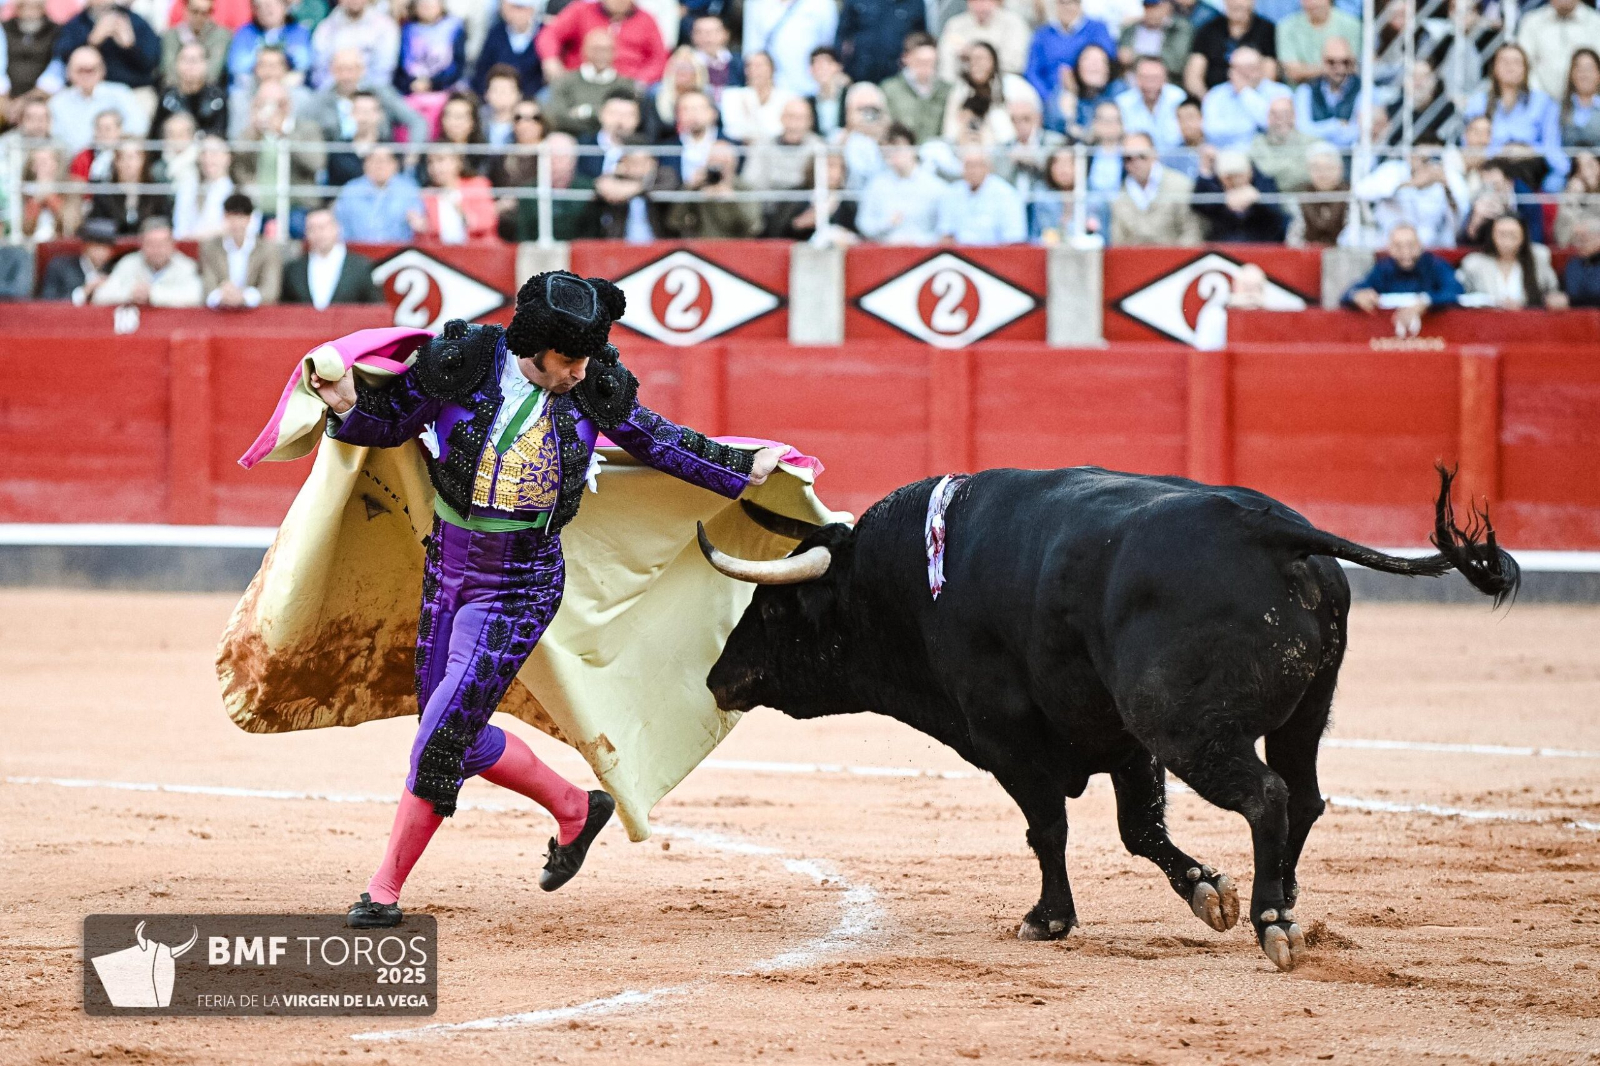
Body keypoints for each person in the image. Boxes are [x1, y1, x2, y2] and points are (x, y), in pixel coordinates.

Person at [303, 271, 786, 929]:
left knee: (441, 737)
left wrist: (741, 465)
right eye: (568, 361)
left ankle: (382, 892)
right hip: (447, 571)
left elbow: (656, 439)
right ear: (533, 346)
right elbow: (388, 425)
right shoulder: (463, 363)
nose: (579, 373)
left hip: (522, 585)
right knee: (453, 732)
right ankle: (572, 807)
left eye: (587, 359)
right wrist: (344, 403)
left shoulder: (592, 385)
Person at [1464, 43, 1568, 194]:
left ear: (1526, 68)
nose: (1510, 67)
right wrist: (1501, 151)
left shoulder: (1543, 102)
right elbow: (1469, 146)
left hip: (1530, 167)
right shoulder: (1478, 102)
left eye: (1516, 62)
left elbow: (1552, 147)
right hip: (1488, 167)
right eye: (1504, 62)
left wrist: (1530, 150)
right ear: (1494, 67)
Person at [235, 79, 326, 237]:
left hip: (297, 207)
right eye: (261, 103)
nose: (267, 109)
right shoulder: (251, 133)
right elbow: (237, 163)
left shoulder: (307, 129)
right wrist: (253, 131)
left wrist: (284, 134)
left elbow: (316, 163)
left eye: (272, 104)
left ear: (286, 105)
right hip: (258, 209)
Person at [1341, 222, 1462, 336]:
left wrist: (1427, 302)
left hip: (1438, 335)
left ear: (1420, 246)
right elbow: (1350, 292)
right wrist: (1357, 296)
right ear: (1390, 249)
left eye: (1411, 245)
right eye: (1398, 246)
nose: (1406, 252)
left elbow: (1456, 290)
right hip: (1386, 339)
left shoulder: (1435, 265)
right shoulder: (1383, 269)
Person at [301, 48, 431, 148]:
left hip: (380, 163)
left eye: (351, 69)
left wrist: (412, 156)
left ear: (362, 70)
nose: (346, 76)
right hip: (335, 169)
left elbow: (417, 121)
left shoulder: (381, 94)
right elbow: (299, 128)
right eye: (340, 69)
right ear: (332, 70)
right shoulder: (319, 102)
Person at [856, 122, 947, 242]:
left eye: (898, 147)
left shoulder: (937, 187)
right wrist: (885, 224)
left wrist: (919, 241)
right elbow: (863, 223)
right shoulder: (876, 185)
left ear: (912, 147)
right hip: (885, 253)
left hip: (926, 254)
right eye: (887, 151)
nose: (893, 155)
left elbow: (944, 230)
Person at [539, 0, 667, 84]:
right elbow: (549, 34)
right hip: (581, 80)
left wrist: (641, 80)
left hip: (626, 84)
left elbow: (658, 59)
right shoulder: (581, 11)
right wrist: (551, 59)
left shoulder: (647, 20)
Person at [48, 46, 147, 153]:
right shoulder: (58, 102)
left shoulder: (120, 93)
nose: (85, 75)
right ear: (69, 72)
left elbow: (138, 127)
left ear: (102, 70)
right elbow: (53, 136)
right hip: (69, 161)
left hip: (111, 160)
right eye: (80, 70)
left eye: (90, 70)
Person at [1456, 214, 1565, 310]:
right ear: (1491, 236)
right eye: (1502, 235)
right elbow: (1458, 295)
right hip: (1484, 326)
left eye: (1513, 235)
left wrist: (1554, 300)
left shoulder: (1538, 258)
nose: (1507, 242)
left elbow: (1553, 291)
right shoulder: (1474, 263)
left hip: (1529, 325)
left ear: (1523, 237)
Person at [50, 0, 162, 93]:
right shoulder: (76, 23)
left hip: (132, 89)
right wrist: (91, 42)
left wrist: (130, 46)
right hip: (85, 90)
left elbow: (151, 62)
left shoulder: (135, 21)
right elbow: (62, 58)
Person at [91, 216, 204, 307]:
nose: (157, 250)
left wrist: (152, 295)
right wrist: (130, 294)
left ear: (173, 244)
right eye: (151, 244)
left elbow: (196, 296)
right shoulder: (128, 263)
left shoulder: (186, 266)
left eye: (162, 244)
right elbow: (101, 295)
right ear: (141, 245)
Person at [1111, 130, 1200, 244]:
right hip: (1136, 259)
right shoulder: (1119, 197)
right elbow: (1118, 241)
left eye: (1142, 156)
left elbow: (1192, 231)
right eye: (1128, 158)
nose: (1135, 162)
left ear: (1155, 154)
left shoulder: (1180, 185)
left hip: (1176, 257)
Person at [546, 30, 640, 136]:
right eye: (596, 49)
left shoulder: (625, 84)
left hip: (616, 141)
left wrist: (586, 111)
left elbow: (631, 119)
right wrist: (604, 119)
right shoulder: (565, 81)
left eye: (607, 49)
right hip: (573, 138)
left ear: (615, 52)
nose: (601, 54)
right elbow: (557, 116)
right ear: (584, 50)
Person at [282, 207, 383, 306]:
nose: (318, 234)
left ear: (336, 228)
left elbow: (375, 308)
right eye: (312, 229)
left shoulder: (361, 267)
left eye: (322, 228)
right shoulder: (293, 270)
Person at [1025, 0, 1115, 106]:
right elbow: (1032, 71)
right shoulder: (1042, 34)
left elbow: (1109, 61)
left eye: (1072, 2)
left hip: (1090, 93)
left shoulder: (1097, 29)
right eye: (1063, 2)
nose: (1067, 7)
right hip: (1053, 96)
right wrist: (1049, 97)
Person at [201, 193, 283, 308]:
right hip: (222, 312)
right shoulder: (211, 248)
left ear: (249, 219)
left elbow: (271, 289)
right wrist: (221, 295)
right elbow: (208, 286)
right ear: (225, 217)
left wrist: (244, 297)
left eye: (241, 217)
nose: (236, 223)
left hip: (256, 315)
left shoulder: (267, 249)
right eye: (231, 217)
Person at [666, 139, 763, 237]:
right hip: (702, 246)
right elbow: (675, 221)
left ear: (734, 163)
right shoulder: (698, 186)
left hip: (734, 247)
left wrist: (730, 201)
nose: (718, 167)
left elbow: (753, 228)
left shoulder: (744, 188)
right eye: (713, 161)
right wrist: (689, 188)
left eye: (723, 162)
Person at [742, 0, 839, 96]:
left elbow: (827, 49)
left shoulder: (824, 4)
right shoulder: (755, 3)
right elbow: (752, 52)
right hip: (771, 94)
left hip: (812, 91)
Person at [1201, 45, 1289, 149]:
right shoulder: (1216, 94)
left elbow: (1276, 126)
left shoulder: (1280, 91)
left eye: (1249, 68)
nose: (1244, 74)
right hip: (1228, 155)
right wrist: (1251, 128)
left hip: (1272, 154)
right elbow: (1210, 130)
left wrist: (1245, 93)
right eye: (1238, 69)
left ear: (1261, 68)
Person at [1183, 0, 1275, 97]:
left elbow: (1269, 74)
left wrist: (1250, 99)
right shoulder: (1208, 29)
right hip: (1213, 97)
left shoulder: (1266, 30)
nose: (1235, 3)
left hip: (1255, 98)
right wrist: (1209, 100)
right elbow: (1193, 77)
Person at [334, 145, 425, 241]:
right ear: (365, 164)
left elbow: (419, 222)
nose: (379, 166)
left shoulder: (408, 189)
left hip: (399, 251)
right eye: (374, 160)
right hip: (358, 251)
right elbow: (340, 225)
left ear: (395, 165)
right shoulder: (351, 190)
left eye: (385, 161)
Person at [937, 145, 1027, 243]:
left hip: (995, 255)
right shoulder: (952, 193)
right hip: (957, 255)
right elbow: (945, 234)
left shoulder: (1007, 194)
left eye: (977, 165)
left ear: (989, 167)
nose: (973, 171)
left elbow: (1014, 239)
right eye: (968, 166)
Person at [1193, 148, 1286, 241]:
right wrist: (1223, 200)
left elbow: (1277, 216)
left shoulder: (1264, 184)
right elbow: (1199, 205)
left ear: (1249, 172)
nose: (1235, 180)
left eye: (1239, 175)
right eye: (1228, 177)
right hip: (1223, 244)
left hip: (1260, 245)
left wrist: (1257, 200)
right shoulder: (1215, 188)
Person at [1516, 0, 1600, 100]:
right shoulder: (1531, 22)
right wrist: (1541, 98)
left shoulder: (1596, 23)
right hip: (1539, 104)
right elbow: (1522, 65)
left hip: (1588, 106)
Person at [86, 141, 173, 236]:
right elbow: (96, 228)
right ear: (115, 162)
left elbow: (166, 226)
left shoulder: (156, 194)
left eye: (132, 157)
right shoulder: (104, 194)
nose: (127, 163)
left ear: (143, 160)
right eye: (121, 158)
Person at [310, 0, 401, 89]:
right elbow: (320, 71)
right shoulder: (325, 29)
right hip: (334, 92)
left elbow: (384, 70)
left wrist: (360, 93)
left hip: (373, 94)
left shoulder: (385, 26)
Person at [412, 148, 498, 241]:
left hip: (477, 250)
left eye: (440, 160)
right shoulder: (428, 195)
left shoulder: (477, 185)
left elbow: (488, 220)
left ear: (457, 162)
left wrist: (463, 214)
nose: (435, 167)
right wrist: (422, 228)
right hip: (442, 252)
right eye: (430, 162)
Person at [882, 32, 951, 144]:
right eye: (920, 62)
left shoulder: (946, 90)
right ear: (906, 58)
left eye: (930, 62)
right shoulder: (889, 89)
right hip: (901, 152)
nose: (926, 68)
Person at [226, 0, 314, 87]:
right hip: (252, 88)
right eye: (259, 6)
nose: (266, 10)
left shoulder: (298, 32)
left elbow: (304, 64)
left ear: (284, 6)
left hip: (289, 89)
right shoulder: (245, 32)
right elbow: (237, 67)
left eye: (270, 5)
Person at [1291, 35, 1358, 149]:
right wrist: (1336, 125)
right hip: (1313, 157)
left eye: (1345, 62)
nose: (1339, 68)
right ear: (1323, 62)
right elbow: (1302, 131)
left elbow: (1359, 132)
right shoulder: (1305, 91)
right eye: (1332, 62)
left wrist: (1319, 131)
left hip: (1350, 157)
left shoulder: (1362, 90)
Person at [836, 0, 926, 85]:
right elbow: (842, 36)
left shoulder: (914, 3)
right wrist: (841, 69)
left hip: (898, 77)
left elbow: (920, 41)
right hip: (860, 73)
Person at [944, 0, 1033, 84]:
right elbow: (946, 65)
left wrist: (976, 57)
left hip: (1003, 81)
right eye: (975, 1)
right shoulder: (955, 25)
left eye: (985, 0)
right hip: (964, 83)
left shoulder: (1014, 23)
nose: (981, 6)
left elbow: (1016, 63)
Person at [153, 40, 230, 136]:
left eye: (194, 60)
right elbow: (155, 136)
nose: (190, 66)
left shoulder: (217, 97)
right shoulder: (168, 98)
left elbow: (220, 134)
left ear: (206, 64)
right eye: (184, 59)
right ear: (176, 63)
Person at [1273, 0, 1357, 85]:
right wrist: (1330, 67)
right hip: (1301, 90)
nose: (1312, 2)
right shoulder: (1286, 27)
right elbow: (1292, 72)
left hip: (1347, 89)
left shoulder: (1352, 24)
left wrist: (1309, 70)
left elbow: (1355, 67)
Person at [40, 215, 121, 303]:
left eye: (105, 248)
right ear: (85, 246)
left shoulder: (116, 270)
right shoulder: (60, 267)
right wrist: (84, 291)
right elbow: (47, 303)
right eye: (96, 246)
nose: (100, 252)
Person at [472, 0, 543, 98]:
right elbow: (482, 68)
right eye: (514, 8)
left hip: (533, 97)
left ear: (531, 10)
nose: (518, 14)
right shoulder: (496, 33)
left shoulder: (543, 33)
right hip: (498, 95)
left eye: (522, 9)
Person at [395, 0, 466, 94]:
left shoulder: (454, 28)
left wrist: (431, 83)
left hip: (444, 87)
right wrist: (411, 83)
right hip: (411, 88)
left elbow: (457, 64)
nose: (427, 8)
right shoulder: (407, 30)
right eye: (423, 5)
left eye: (431, 5)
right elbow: (401, 65)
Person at [1115, 52, 1184, 148]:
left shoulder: (1179, 99)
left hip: (1175, 160)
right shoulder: (1123, 103)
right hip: (1136, 161)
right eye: (1145, 77)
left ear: (1165, 78)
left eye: (1155, 78)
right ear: (1135, 78)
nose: (1150, 84)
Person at [1286, 140, 1348, 245]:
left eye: (1328, 168)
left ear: (1340, 169)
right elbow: (1292, 239)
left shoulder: (1351, 196)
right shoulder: (1300, 197)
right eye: (1316, 168)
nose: (1323, 174)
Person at [173, 134, 236, 237]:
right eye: (203, 153)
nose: (207, 159)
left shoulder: (236, 191)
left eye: (214, 153)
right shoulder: (187, 188)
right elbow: (179, 227)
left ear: (228, 157)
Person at [1248, 94, 1312, 191]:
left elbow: (1307, 175)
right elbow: (1264, 172)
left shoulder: (1311, 143)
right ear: (1268, 118)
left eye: (1285, 113)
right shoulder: (1257, 143)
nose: (1280, 119)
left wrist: (1274, 172)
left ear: (1294, 116)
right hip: (1268, 200)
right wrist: (1292, 167)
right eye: (1274, 114)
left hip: (1302, 198)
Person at [1117, 0, 1191, 82]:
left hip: (1165, 82)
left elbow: (1175, 64)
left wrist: (1135, 57)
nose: (1150, 12)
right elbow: (1121, 58)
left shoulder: (1178, 28)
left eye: (1154, 7)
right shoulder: (1130, 28)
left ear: (1167, 7)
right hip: (1130, 81)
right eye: (1147, 7)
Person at [161, 0, 231, 86]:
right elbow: (169, 70)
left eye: (204, 13)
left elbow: (213, 72)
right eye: (195, 11)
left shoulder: (220, 35)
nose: (199, 17)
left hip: (209, 91)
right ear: (186, 9)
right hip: (177, 89)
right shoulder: (172, 35)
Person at [5, 0, 62, 98]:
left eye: (34, 7)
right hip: (7, 92)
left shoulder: (54, 30)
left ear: (42, 9)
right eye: (24, 7)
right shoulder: (6, 28)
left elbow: (57, 62)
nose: (29, 13)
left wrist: (39, 91)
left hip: (41, 92)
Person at [689, 14, 742, 101]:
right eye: (700, 32)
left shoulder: (738, 63)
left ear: (725, 34)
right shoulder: (687, 63)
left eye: (711, 32)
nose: (706, 37)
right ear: (692, 36)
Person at [806, 45, 850, 135]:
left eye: (826, 63)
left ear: (838, 66)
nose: (822, 69)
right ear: (811, 70)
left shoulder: (850, 97)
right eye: (817, 64)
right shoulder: (808, 103)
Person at [1561, 48, 1600, 149]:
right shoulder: (1558, 109)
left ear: (1598, 75)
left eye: (1589, 69)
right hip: (1568, 163)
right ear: (1572, 74)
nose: (1584, 75)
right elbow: (1552, 146)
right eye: (1579, 69)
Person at [1561, 213, 1600, 308]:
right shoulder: (1572, 264)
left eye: (1583, 239)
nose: (1578, 244)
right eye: (1576, 239)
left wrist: (1570, 300)